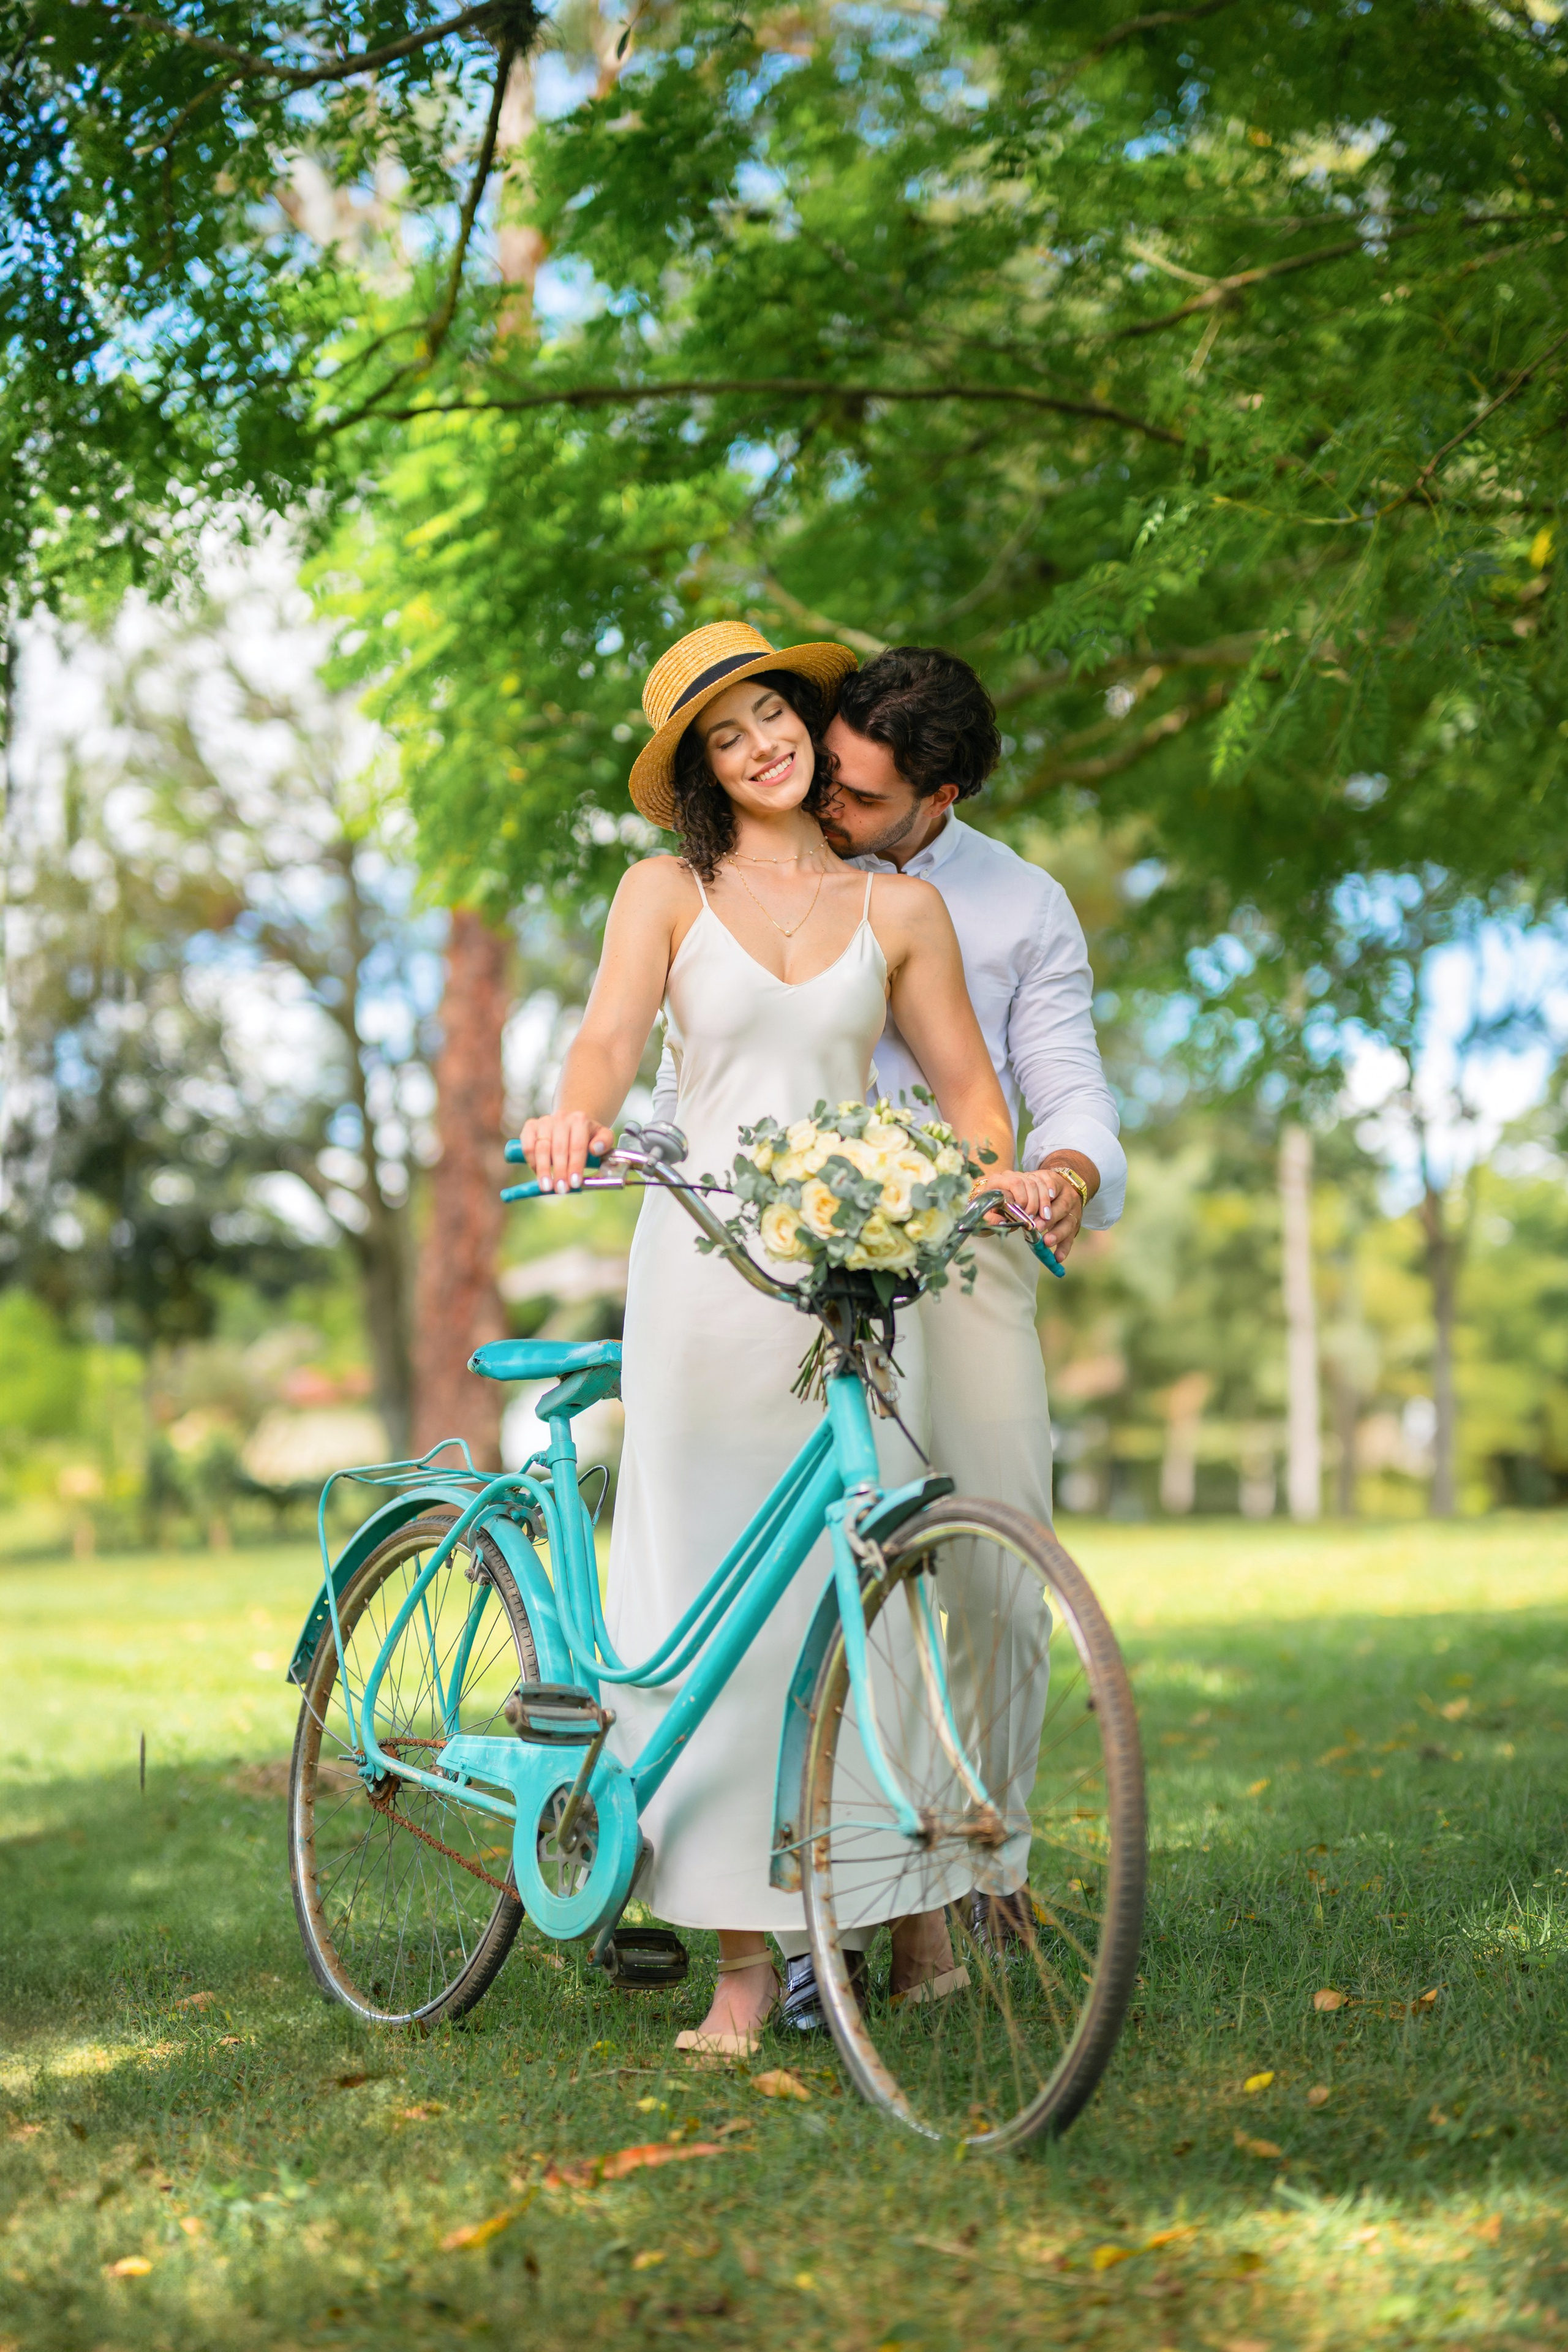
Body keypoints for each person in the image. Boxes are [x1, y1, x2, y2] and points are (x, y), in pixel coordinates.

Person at [518, 621, 1055, 2056]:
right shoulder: (664, 891)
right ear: (699, 768)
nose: (763, 744)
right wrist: (573, 1112)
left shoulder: (898, 912)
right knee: (711, 1620)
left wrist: (992, 1166)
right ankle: (744, 1973)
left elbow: (968, 1089)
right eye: (725, 733)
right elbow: (604, 1042)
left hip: (846, 1278)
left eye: (775, 715)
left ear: (812, 723)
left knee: (866, 1594)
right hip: (700, 1280)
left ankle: (897, 1908)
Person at [650, 642, 1126, 2022]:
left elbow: (1062, 1089)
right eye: (827, 769)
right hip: (773, 1252)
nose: (828, 807)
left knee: (971, 1573)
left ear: (939, 794)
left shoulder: (1016, 906)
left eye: (858, 797)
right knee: (776, 1560)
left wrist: (1060, 1174)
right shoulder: (741, 873)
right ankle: (786, 1910)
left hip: (957, 1250)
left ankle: (961, 1878)